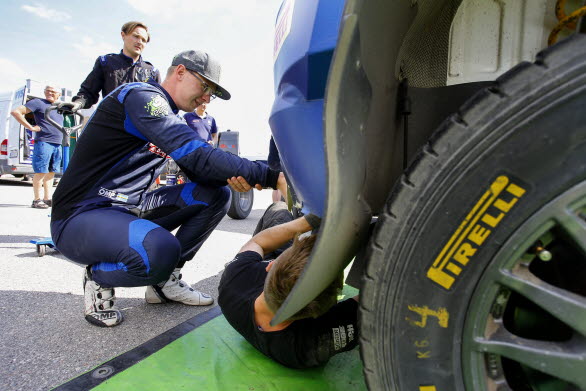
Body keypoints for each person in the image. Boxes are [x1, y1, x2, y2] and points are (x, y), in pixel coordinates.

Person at [51, 50, 285, 328]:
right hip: (81, 214)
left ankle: (164, 283)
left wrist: (237, 177)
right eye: (206, 86)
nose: (207, 98)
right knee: (160, 251)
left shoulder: (171, 115)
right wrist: (271, 177)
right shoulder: (142, 97)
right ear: (181, 72)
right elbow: (198, 154)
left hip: (128, 209)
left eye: (212, 93)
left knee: (214, 195)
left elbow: (200, 169)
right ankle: (98, 276)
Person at [218, 197, 359, 368]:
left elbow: (257, 242)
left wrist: (307, 221)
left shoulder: (232, 283)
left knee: (279, 209)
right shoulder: (311, 344)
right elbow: (379, 300)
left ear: (270, 266)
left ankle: (289, 206)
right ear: (323, 310)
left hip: (267, 273)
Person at [68, 21, 160, 111]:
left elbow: (158, 103)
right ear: (123, 35)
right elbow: (88, 92)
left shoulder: (152, 71)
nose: (139, 42)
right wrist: (78, 103)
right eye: (136, 36)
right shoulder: (106, 62)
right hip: (111, 122)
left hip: (139, 125)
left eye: (144, 40)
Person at [11, 85, 64, 209]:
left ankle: (47, 199)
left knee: (51, 173)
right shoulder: (38, 103)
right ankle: (36, 200)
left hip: (57, 143)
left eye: (53, 91)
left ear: (59, 94)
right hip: (44, 142)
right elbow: (16, 112)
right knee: (41, 172)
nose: (49, 93)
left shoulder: (59, 107)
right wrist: (30, 127)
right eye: (47, 91)